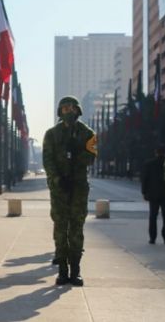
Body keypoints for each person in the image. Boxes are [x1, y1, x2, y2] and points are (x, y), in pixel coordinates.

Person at [43, 96, 97, 287]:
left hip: (78, 187)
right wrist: (58, 179)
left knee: (76, 229)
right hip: (59, 189)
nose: (68, 111)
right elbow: (47, 161)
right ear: (60, 112)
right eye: (64, 109)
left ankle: (75, 270)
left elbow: (91, 158)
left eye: (71, 108)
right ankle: (62, 271)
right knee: (60, 228)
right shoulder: (51, 134)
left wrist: (78, 153)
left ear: (77, 110)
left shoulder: (88, 133)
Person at [141, 146, 165, 245]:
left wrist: (144, 192)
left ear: (155, 152)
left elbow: (145, 179)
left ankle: (152, 238)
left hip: (153, 194)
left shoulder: (149, 164)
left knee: (153, 216)